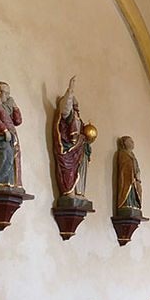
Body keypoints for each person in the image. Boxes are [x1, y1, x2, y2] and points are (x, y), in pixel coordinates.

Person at [52, 76, 92, 206]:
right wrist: (70, 90)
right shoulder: (66, 115)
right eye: (75, 105)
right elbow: (65, 108)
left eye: (77, 105)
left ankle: (78, 192)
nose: (77, 107)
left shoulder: (79, 119)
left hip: (79, 148)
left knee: (79, 169)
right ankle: (68, 192)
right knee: (68, 169)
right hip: (67, 149)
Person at [114, 135, 142, 217]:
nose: (133, 143)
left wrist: (137, 173)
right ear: (124, 143)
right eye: (130, 141)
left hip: (135, 179)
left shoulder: (133, 155)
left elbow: (136, 166)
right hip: (127, 179)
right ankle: (126, 205)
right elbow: (124, 166)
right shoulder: (122, 153)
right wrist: (132, 172)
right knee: (128, 192)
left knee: (136, 192)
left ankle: (134, 205)